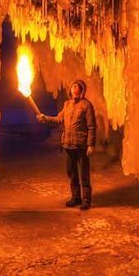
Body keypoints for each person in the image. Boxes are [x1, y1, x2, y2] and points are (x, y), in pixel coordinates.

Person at [36, 79, 96, 210]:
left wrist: (91, 144)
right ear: (70, 90)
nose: (75, 89)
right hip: (68, 145)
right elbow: (58, 119)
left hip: (81, 145)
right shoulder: (67, 104)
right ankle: (76, 197)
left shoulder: (86, 105)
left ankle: (86, 200)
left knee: (84, 174)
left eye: (78, 87)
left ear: (82, 90)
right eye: (73, 86)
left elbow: (91, 127)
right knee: (71, 172)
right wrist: (44, 118)